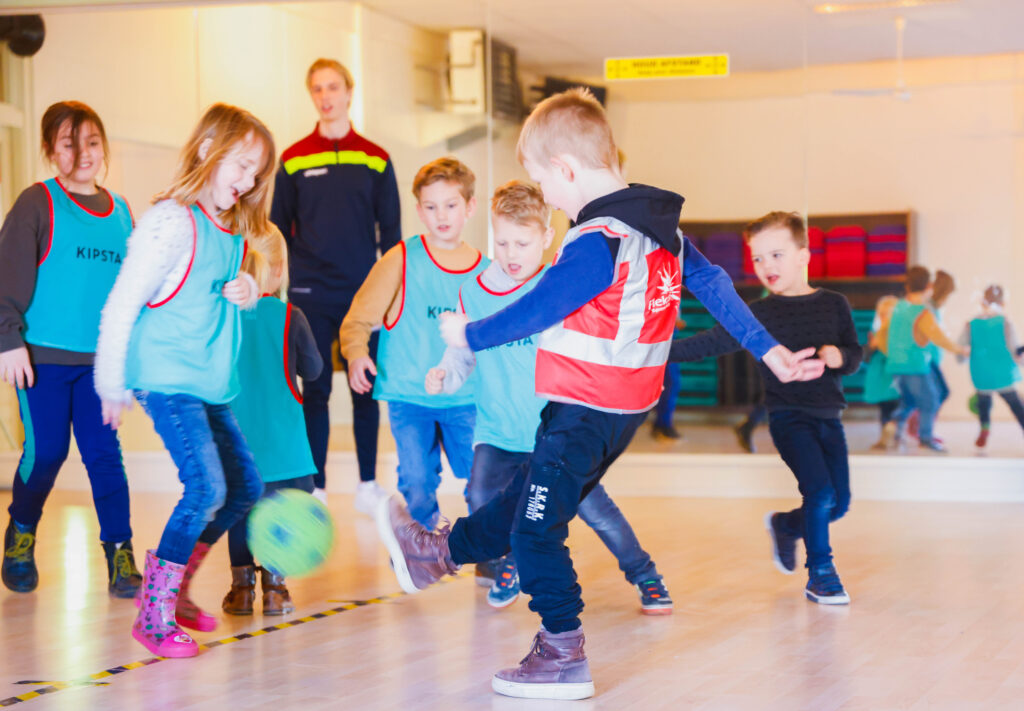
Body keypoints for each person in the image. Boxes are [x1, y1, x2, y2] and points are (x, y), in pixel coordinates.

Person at [374, 89, 823, 701]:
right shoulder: (657, 230)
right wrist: (767, 348)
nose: (548, 198)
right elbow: (714, 283)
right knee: (521, 504)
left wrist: (470, 333)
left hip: (584, 411)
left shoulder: (596, 239)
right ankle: (435, 554)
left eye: (542, 180)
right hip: (617, 414)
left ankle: (562, 653)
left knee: (535, 528)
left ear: (564, 169)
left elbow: (540, 307)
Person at [427, 180, 673, 613]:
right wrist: (445, 375)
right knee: (481, 496)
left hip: (557, 434)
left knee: (598, 512)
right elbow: (463, 351)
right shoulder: (474, 292)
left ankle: (644, 572)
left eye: (522, 243)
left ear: (546, 239)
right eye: (501, 242)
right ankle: (512, 562)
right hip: (497, 432)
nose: (510, 253)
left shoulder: (562, 287)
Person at [94, 103, 274, 658]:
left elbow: (217, 294)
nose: (247, 182)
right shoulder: (171, 221)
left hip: (209, 384)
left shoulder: (232, 228)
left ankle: (173, 593)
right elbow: (123, 301)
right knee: (206, 488)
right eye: (240, 166)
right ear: (206, 151)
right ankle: (154, 614)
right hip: (167, 378)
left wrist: (248, 288)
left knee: (244, 487)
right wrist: (111, 382)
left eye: (255, 172)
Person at [670, 212, 862, 605]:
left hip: (829, 418)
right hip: (789, 418)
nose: (766, 266)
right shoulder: (758, 314)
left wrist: (838, 355)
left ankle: (785, 525)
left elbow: (856, 355)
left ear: (803, 255)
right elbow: (707, 342)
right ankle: (821, 574)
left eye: (775, 255)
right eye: (758, 259)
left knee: (838, 504)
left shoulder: (835, 304)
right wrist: (651, 353)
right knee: (820, 492)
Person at [0, 101, 141, 596]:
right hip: (40, 361)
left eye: (92, 142)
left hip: (101, 366)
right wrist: (8, 340)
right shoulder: (36, 203)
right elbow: (6, 279)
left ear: (104, 147)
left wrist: (127, 365)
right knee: (47, 453)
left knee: (104, 454)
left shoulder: (122, 211)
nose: (83, 153)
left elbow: (135, 293)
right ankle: (21, 532)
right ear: (49, 151)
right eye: (69, 144)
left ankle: (120, 554)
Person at [271, 58, 402, 511]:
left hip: (363, 295)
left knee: (365, 388)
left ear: (349, 92)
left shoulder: (376, 157)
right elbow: (276, 232)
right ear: (312, 96)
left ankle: (367, 484)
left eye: (333, 88)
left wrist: (390, 297)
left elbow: (393, 236)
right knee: (317, 389)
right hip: (310, 295)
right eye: (317, 89)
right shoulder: (292, 158)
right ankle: (318, 487)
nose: (326, 97)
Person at [339, 157, 486, 528]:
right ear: (419, 210)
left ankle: (491, 552)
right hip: (409, 396)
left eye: (451, 205)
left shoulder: (487, 273)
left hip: (466, 399)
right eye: (431, 206)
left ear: (470, 207)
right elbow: (358, 317)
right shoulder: (400, 260)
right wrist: (356, 354)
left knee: (482, 482)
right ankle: (419, 547)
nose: (442, 215)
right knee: (417, 483)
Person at [222, 230, 323, 616]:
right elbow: (313, 371)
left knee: (241, 517)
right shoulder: (290, 317)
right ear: (279, 271)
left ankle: (241, 590)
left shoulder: (225, 316)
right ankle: (276, 589)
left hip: (239, 446)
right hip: (285, 451)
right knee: (280, 518)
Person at [885, 266, 967, 453]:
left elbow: (887, 333)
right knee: (930, 400)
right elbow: (938, 338)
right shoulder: (922, 312)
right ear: (929, 286)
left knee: (909, 401)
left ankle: (893, 426)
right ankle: (926, 437)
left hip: (895, 364)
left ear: (907, 286)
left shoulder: (899, 306)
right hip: (915, 364)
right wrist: (960, 349)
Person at [959, 285, 1024, 448]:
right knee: (1016, 405)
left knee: (983, 403)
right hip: (1003, 372)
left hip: (981, 372)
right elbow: (1014, 347)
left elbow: (961, 349)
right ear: (1002, 303)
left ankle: (984, 428)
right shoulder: (1005, 322)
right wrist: (1020, 359)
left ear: (983, 302)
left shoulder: (971, 324)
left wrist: (963, 358)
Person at [863, 295, 901, 449]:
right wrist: (872, 346)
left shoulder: (899, 333)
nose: (885, 317)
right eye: (882, 313)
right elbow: (866, 356)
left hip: (894, 375)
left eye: (889, 313)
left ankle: (894, 434)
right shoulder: (875, 332)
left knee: (895, 405)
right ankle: (886, 436)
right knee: (885, 407)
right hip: (880, 376)